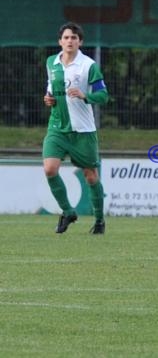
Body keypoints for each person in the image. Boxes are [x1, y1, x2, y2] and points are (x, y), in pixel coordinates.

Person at [42, 22, 109, 234]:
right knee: (49, 169)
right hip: (57, 127)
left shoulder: (88, 65)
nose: (70, 41)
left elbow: (103, 96)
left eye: (74, 38)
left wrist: (85, 96)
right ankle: (68, 212)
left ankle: (99, 221)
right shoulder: (51, 62)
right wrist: (49, 99)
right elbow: (51, 88)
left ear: (80, 42)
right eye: (66, 37)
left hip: (82, 131)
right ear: (60, 41)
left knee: (91, 176)